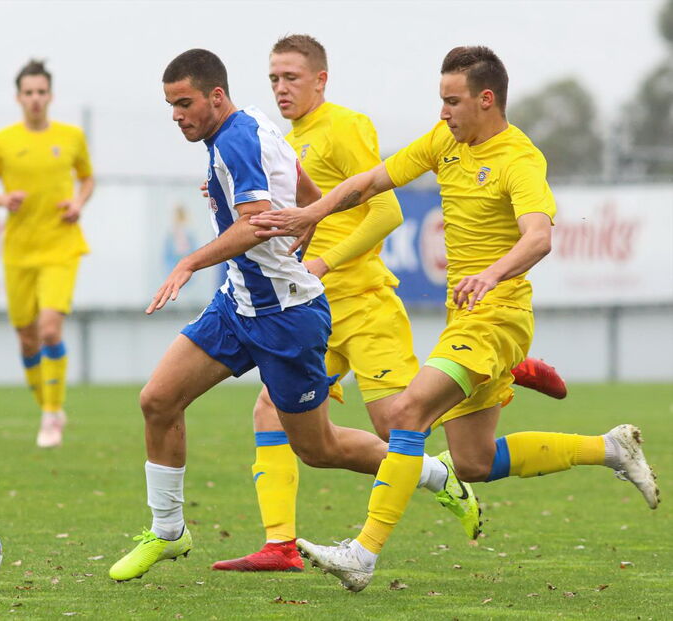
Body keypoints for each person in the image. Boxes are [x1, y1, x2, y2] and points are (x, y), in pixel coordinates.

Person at [250, 45, 660, 592]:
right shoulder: (445, 140)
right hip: (464, 318)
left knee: (407, 415)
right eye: (441, 101)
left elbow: (539, 237)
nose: (442, 112)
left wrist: (491, 274)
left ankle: (362, 554)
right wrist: (312, 212)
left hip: (497, 318)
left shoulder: (519, 159)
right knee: (472, 462)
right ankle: (610, 448)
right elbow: (371, 183)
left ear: (486, 99)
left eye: (452, 101)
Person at [213, 35, 570, 574]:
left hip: (372, 304)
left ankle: (497, 378)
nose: (280, 88)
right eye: (273, 79)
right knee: (284, 418)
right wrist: (279, 208)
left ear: (320, 79)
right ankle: (281, 544)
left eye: (291, 77)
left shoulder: (349, 126)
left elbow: (388, 212)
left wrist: (324, 259)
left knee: (399, 423)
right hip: (316, 307)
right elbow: (345, 190)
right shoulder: (294, 140)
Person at [108, 48, 462, 583]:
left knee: (318, 448)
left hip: (286, 318)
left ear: (216, 97)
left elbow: (253, 225)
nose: (177, 116)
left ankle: (434, 473)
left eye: (184, 104)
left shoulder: (236, 140)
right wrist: (305, 225)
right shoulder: (254, 122)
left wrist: (189, 262)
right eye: (170, 106)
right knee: (158, 399)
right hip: (238, 305)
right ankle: (168, 531)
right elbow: (306, 190)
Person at [0, 59, 95, 448]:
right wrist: (2, 199)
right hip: (19, 252)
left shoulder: (71, 137)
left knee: (49, 330)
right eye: (28, 92)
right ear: (18, 97)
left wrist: (78, 202)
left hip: (61, 246)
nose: (35, 99)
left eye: (41, 92)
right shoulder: (2, 141)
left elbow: (87, 178)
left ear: (51, 96)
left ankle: (51, 415)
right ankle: (50, 407)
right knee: (27, 340)